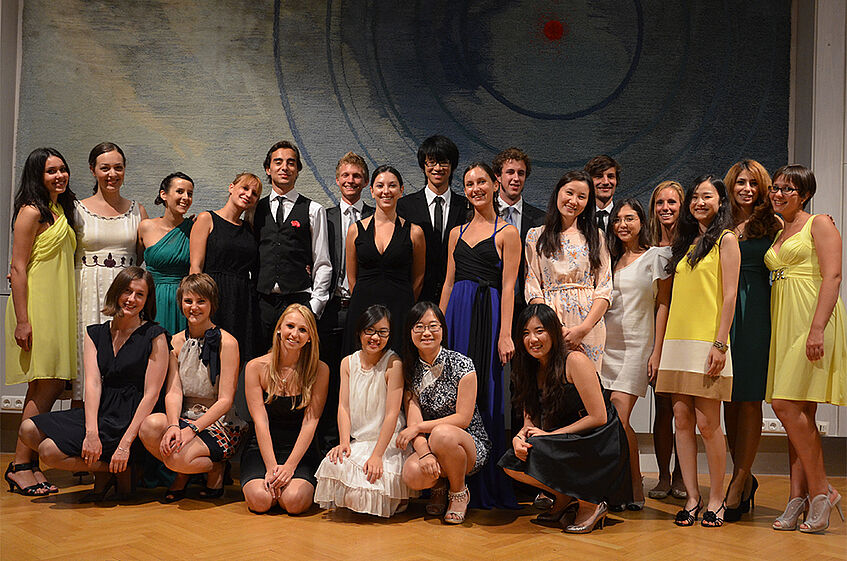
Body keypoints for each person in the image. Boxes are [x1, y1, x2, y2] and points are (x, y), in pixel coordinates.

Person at [19, 267, 169, 501]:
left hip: (130, 417)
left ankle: (123, 463)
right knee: (28, 430)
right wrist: (91, 432)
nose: (131, 299)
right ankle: (108, 468)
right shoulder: (95, 333)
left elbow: (151, 394)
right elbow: (92, 384)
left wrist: (125, 444)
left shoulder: (155, 335)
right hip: (99, 411)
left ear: (147, 300)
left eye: (140, 294)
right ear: (116, 292)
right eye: (127, 291)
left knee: (49, 452)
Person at [499, 304, 631, 533]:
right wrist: (518, 438)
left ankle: (591, 504)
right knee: (512, 462)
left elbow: (599, 417)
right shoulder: (527, 369)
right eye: (525, 333)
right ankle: (565, 497)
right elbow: (529, 424)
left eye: (539, 331)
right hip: (567, 436)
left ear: (553, 331)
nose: (533, 339)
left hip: (599, 440)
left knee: (539, 444)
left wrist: (550, 435)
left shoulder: (575, 361)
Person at [765, 165, 846, 533]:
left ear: (805, 195)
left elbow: (833, 275)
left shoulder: (820, 224)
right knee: (798, 412)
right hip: (785, 321)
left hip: (812, 318)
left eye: (788, 189)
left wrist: (817, 328)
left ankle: (821, 492)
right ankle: (798, 496)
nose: (779, 194)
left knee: (784, 404)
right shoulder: (778, 229)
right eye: (776, 187)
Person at [656, 175, 740, 527]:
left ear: (721, 201)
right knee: (682, 422)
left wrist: (720, 344)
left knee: (708, 425)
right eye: (695, 197)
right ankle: (692, 497)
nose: (699, 202)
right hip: (677, 342)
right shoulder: (686, 242)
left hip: (708, 343)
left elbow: (731, 295)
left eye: (707, 196)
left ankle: (717, 499)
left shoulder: (727, 239)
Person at [440, 162, 520, 508]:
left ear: (495, 184)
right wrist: (438, 327)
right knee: (453, 394)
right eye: (469, 183)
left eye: (482, 182)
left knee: (485, 391)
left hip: (488, 315)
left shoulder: (507, 233)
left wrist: (505, 334)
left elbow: (510, 287)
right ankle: (451, 481)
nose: (476, 188)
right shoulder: (456, 232)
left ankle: (484, 481)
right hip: (457, 312)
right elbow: (447, 281)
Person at [4, 148, 78, 496]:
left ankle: (27, 463)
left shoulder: (60, 209)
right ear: (37, 175)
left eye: (62, 169)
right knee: (44, 385)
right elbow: (17, 268)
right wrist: (22, 319)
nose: (59, 176)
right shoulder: (31, 212)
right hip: (37, 306)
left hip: (59, 304)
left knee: (47, 385)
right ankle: (21, 465)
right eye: (51, 171)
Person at [138, 274, 245, 501]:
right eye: (188, 301)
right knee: (148, 426)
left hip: (219, 422)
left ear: (212, 304)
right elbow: (174, 391)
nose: (193, 307)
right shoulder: (175, 342)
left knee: (176, 458)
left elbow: (226, 400)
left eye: (201, 301)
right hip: (185, 416)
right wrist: (174, 426)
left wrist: (192, 430)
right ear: (181, 304)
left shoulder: (228, 342)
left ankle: (214, 468)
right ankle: (184, 469)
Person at [601, 198, 672, 510]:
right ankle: (619, 485)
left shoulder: (656, 257)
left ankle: (635, 484)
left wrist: (656, 351)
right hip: (606, 346)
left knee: (619, 416)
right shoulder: (607, 259)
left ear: (642, 221)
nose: (622, 224)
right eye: (617, 219)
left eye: (629, 218)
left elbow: (664, 305)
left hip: (636, 346)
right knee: (607, 420)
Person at [722, 160, 781, 521]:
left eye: (754, 183)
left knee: (748, 399)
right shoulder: (720, 222)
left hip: (758, 312)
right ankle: (740, 475)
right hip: (721, 312)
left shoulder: (773, 224)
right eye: (741, 182)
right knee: (727, 396)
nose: (747, 188)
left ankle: (741, 478)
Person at [397, 302, 491, 524]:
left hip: (467, 444)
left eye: (433, 326)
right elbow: (413, 422)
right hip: (432, 444)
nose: (426, 332)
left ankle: (458, 493)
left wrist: (419, 428)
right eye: (419, 327)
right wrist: (424, 454)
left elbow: (463, 418)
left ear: (443, 330)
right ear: (410, 332)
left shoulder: (461, 363)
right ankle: (438, 486)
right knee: (411, 472)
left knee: (443, 434)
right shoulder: (410, 370)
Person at [314, 305, 410, 517]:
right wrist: (344, 442)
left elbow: (392, 414)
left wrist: (377, 455)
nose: (376, 337)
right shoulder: (347, 362)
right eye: (370, 330)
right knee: (335, 468)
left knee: (363, 495)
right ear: (359, 332)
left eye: (383, 332)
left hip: (386, 443)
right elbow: (343, 407)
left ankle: (396, 495)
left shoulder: (393, 363)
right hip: (360, 441)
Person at [73, 142, 148, 404]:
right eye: (105, 168)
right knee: (85, 367)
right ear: (93, 170)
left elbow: (142, 260)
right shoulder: (77, 209)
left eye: (118, 168)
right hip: (86, 293)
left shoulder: (137, 211)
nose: (112, 174)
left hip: (124, 296)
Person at [240, 304, 329, 514]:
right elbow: (260, 422)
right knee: (261, 500)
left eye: (302, 330)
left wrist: (289, 467)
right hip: (261, 449)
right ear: (279, 328)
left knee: (293, 502)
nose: (294, 334)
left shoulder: (320, 370)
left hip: (299, 451)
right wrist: (272, 467)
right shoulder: (255, 367)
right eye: (290, 326)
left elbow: (311, 422)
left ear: (310, 337)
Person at [524, 170, 612, 374]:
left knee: (587, 388)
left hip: (589, 325)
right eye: (569, 193)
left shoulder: (596, 237)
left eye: (582, 197)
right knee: (552, 385)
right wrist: (557, 328)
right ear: (558, 193)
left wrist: (582, 329)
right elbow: (533, 288)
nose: (574, 201)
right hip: (549, 324)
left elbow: (605, 289)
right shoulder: (536, 236)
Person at [317, 152, 375, 453]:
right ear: (337, 179)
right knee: (326, 378)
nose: (350, 181)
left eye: (356, 176)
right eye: (345, 176)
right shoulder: (322, 216)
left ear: (365, 182)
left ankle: (357, 444)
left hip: (360, 311)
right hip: (328, 311)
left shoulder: (376, 218)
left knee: (360, 381)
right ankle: (326, 447)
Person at [253, 140, 332, 351]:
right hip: (262, 304)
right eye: (278, 162)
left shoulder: (313, 209)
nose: (284, 167)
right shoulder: (254, 208)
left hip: (298, 302)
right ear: (268, 169)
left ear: (297, 170)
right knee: (262, 363)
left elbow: (322, 262)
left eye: (291, 162)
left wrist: (314, 307)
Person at [344, 165, 425, 355]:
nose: (386, 191)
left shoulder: (415, 232)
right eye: (380, 186)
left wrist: (403, 302)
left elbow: (419, 277)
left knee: (396, 369)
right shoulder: (355, 230)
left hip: (400, 310)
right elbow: (352, 278)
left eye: (392, 186)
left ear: (401, 190)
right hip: (362, 309)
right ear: (371, 191)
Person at [190, 172, 262, 363]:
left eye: (254, 193)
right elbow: (195, 266)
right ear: (231, 188)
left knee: (237, 356)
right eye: (245, 188)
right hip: (213, 295)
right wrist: (197, 302)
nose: (248, 194)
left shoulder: (250, 229)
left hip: (242, 300)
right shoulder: (207, 218)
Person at [646, 180, 687, 500]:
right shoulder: (647, 245)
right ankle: (662, 476)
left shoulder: (691, 244)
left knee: (684, 408)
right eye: (660, 202)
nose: (666, 208)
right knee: (663, 409)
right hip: (656, 333)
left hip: (686, 332)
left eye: (672, 202)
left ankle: (681, 476)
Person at [397, 135, 470, 304]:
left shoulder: (466, 207)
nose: (438, 168)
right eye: (431, 162)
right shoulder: (404, 207)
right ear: (423, 166)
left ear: (452, 166)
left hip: (457, 296)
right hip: (415, 296)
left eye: (443, 162)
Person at [138, 172, 194, 335]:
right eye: (180, 191)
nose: (185, 197)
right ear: (164, 194)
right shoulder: (145, 227)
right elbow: (135, 264)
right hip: (152, 298)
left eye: (189, 194)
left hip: (182, 298)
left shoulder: (195, 228)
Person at [584, 155, 619, 232]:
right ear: (589, 181)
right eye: (599, 176)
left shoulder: (622, 217)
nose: (606, 182)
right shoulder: (579, 217)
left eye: (610, 176)